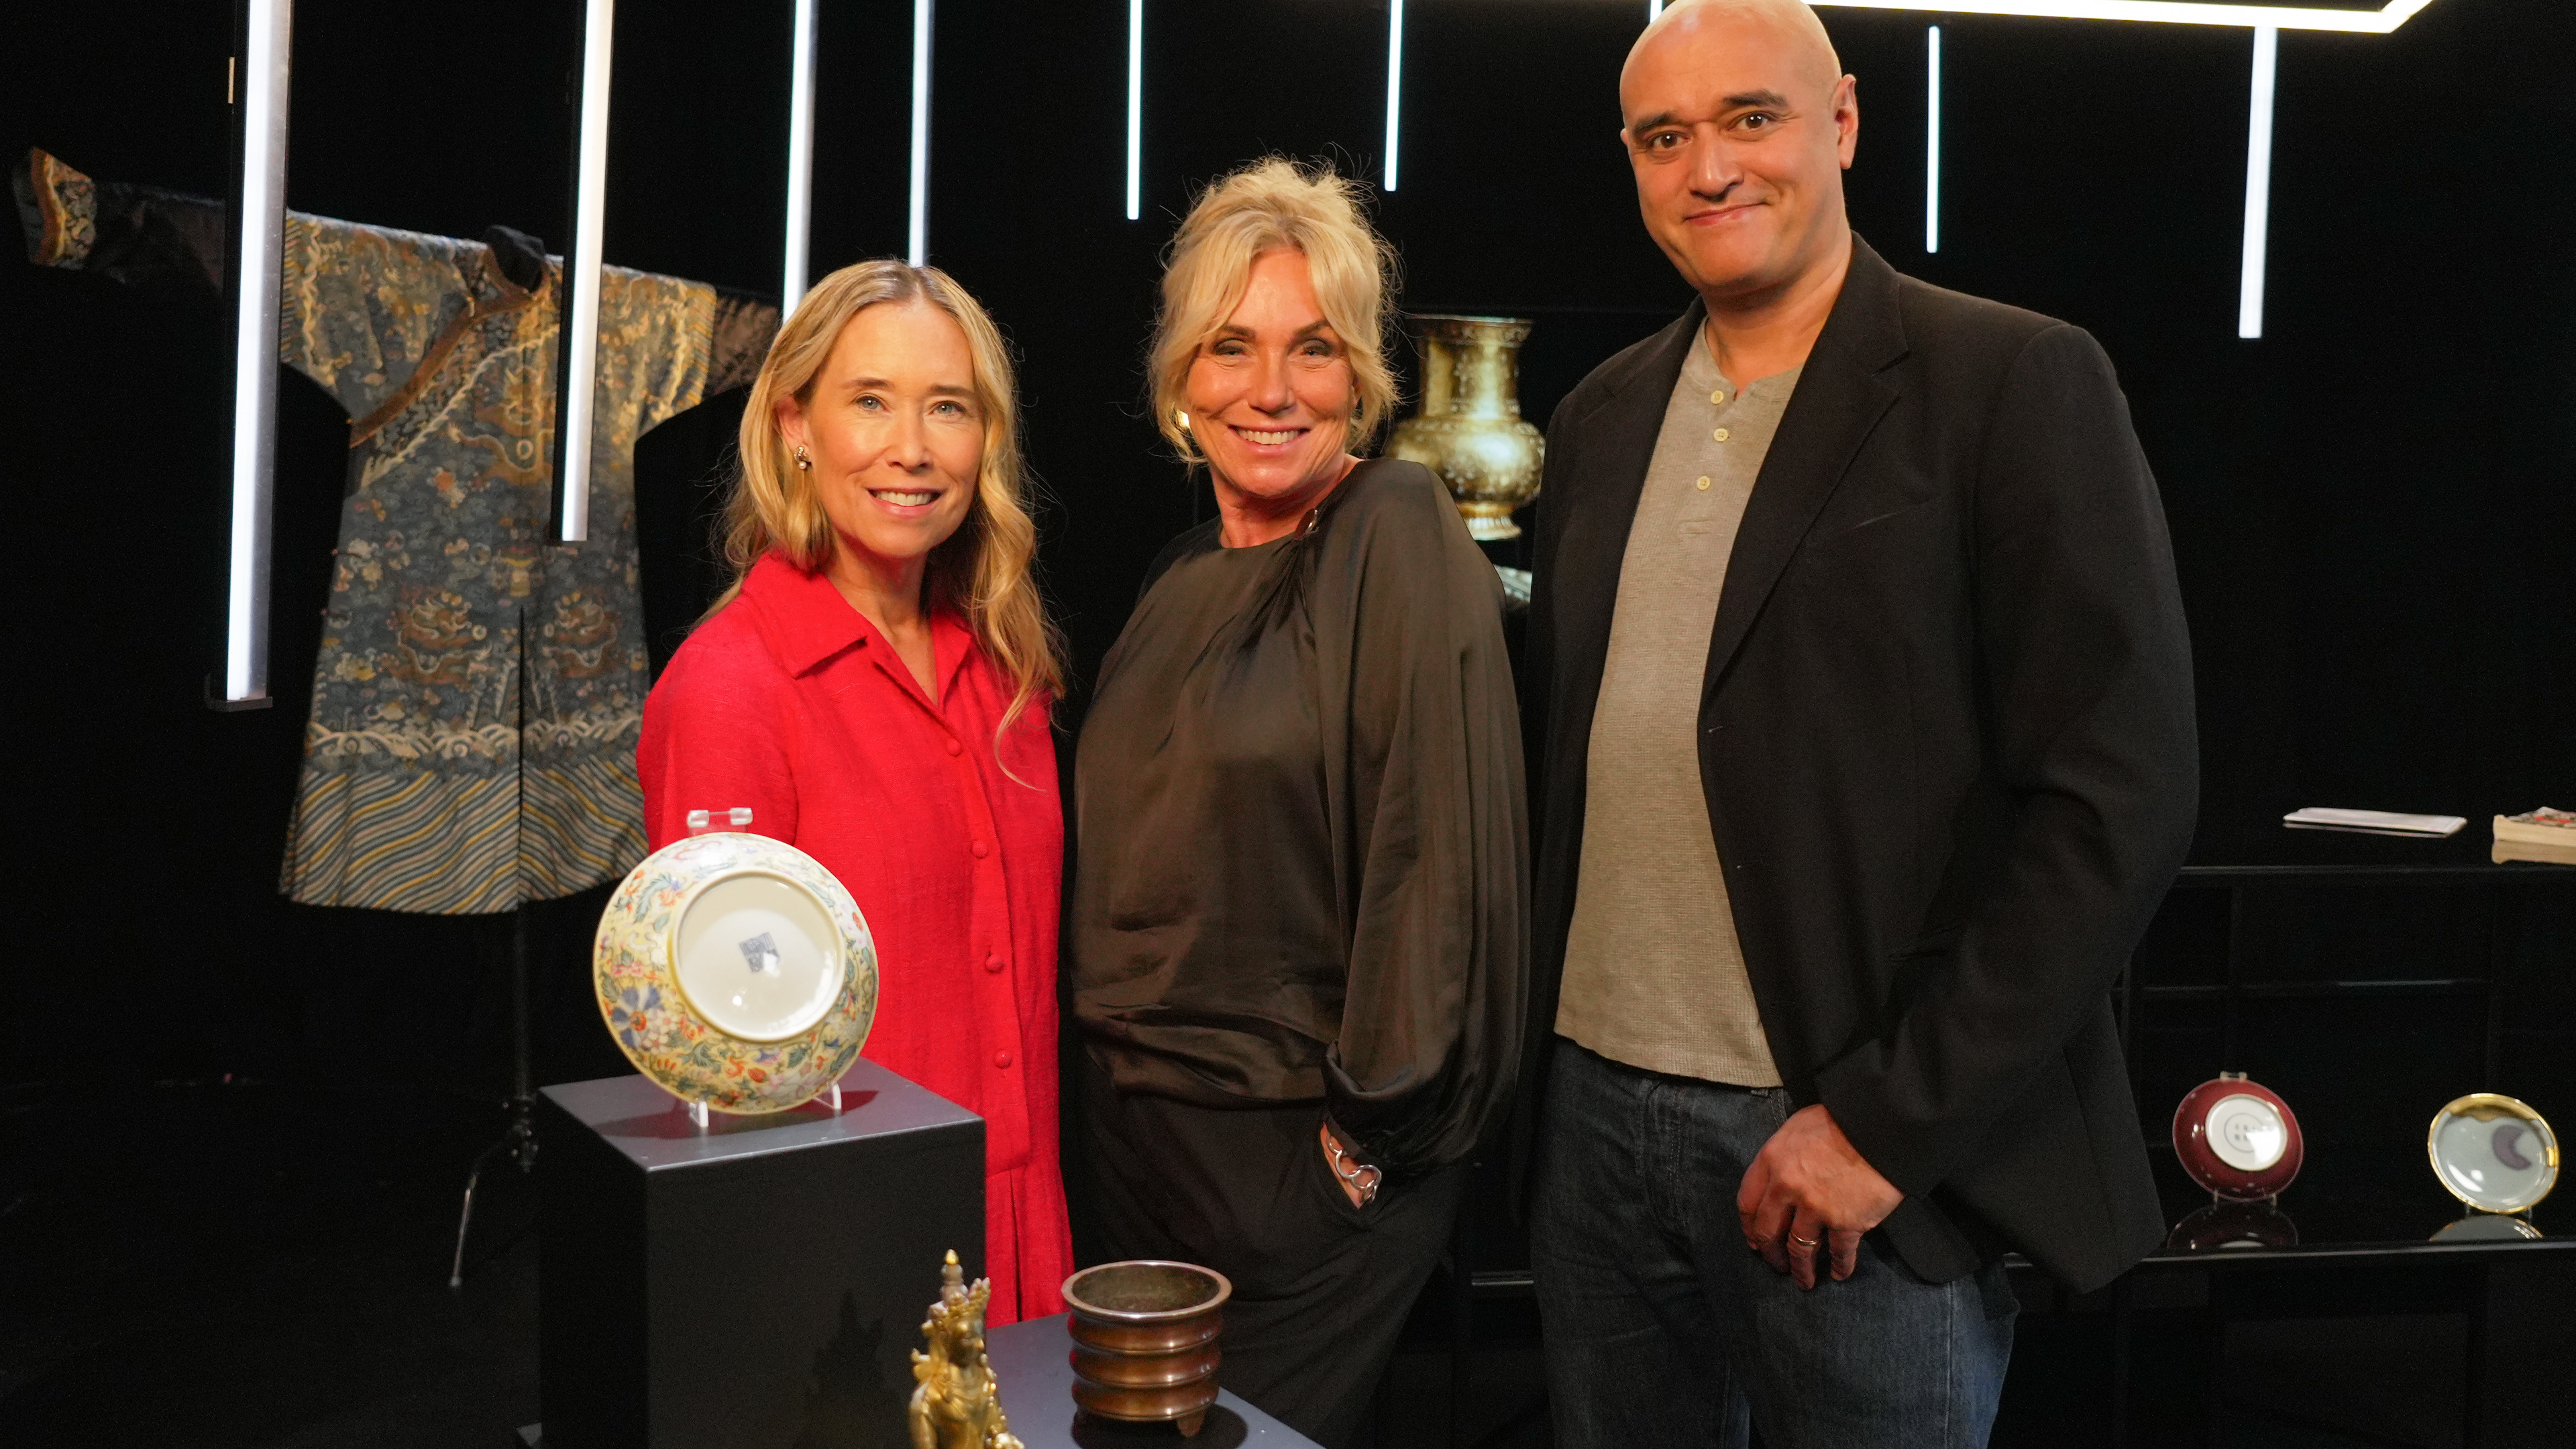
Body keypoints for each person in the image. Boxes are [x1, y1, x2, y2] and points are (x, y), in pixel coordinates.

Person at [1522, 3, 2198, 1445]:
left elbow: (2121, 797)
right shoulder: (1598, 417)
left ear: (1840, 122)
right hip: (1592, 1124)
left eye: (1749, 119)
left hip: (1846, 1146)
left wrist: (1889, 1123)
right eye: (1664, 137)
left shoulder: (2009, 379)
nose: (1709, 168)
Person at [1067, 157, 1527, 1449]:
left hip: (1298, 1162)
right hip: (1128, 1150)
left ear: (1360, 377)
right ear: (1181, 377)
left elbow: (1437, 855)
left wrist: (1369, 1139)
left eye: (1313, 349)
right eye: (1232, 347)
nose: (1270, 389)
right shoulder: (1174, 576)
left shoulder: (1395, 524)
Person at [637, 260, 1073, 1324]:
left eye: (948, 407)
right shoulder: (732, 690)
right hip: (846, 1257)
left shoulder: (1007, 674)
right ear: (796, 426)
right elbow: (726, 1071)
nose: (911, 448)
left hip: (1025, 1234)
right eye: (870, 401)